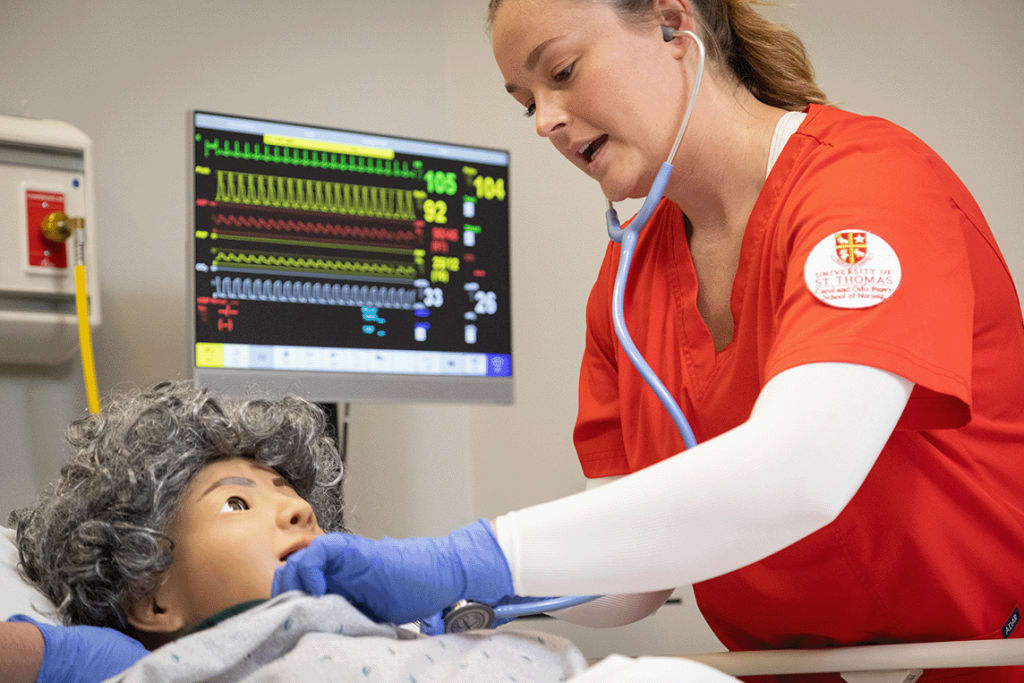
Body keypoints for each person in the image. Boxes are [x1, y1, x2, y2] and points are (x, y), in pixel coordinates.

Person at [268, 1, 1024, 681]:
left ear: (672, 23)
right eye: (526, 102)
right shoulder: (625, 289)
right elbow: (634, 581)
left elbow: (806, 471)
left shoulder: (868, 184)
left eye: (561, 72)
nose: (544, 122)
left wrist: (477, 554)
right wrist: (474, 592)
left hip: (978, 657)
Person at [0, 381, 344, 682]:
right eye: (236, 503)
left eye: (289, 491)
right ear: (152, 599)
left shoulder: (379, 625)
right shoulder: (137, 671)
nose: (301, 510)